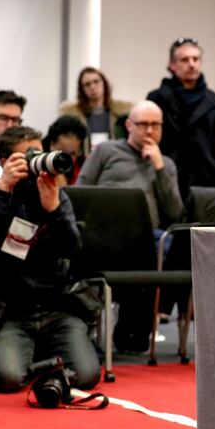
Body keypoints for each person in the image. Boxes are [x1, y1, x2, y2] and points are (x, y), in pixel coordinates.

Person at [0, 125, 100, 392]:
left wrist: (53, 210)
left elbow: (73, 250)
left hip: (57, 306)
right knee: (7, 379)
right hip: (10, 310)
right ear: (5, 161)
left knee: (87, 377)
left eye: (39, 154)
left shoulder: (54, 192)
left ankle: (41, 360)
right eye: (28, 157)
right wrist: (3, 188)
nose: (37, 163)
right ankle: (46, 363)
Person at [77, 100, 183, 353]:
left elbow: (174, 212)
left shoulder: (166, 164)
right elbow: (79, 190)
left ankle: (132, 333)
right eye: (143, 124)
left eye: (155, 125)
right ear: (128, 126)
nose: (149, 131)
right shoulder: (106, 151)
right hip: (103, 233)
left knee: (163, 244)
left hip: (146, 238)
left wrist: (158, 167)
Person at [146, 38, 215, 200]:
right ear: (172, 65)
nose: (191, 64)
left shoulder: (211, 99)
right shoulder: (157, 98)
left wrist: (214, 168)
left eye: (196, 59)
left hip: (205, 179)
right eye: (184, 59)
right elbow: (148, 137)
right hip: (168, 176)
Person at [59, 67, 132, 155]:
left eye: (96, 81)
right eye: (87, 84)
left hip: (115, 161)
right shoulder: (73, 116)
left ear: (104, 83)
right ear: (82, 89)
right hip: (85, 162)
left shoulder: (121, 113)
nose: (92, 87)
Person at [42, 115, 88, 186]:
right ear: (52, 145)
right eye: (63, 152)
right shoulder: (39, 166)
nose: (67, 159)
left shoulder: (84, 166)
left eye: (73, 153)